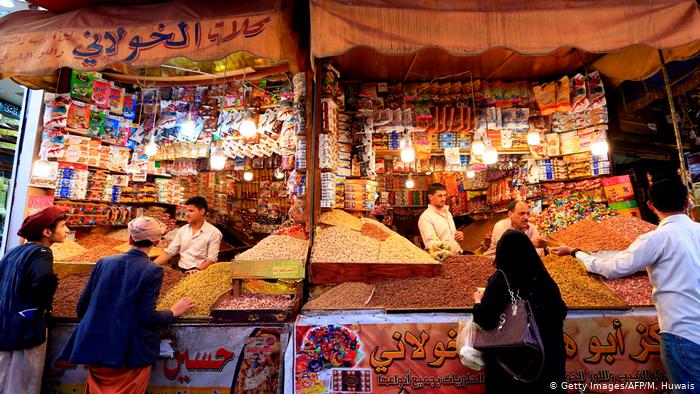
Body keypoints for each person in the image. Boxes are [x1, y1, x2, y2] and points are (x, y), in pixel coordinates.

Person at [551, 178, 700, 391]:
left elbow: (612, 268)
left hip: (683, 333)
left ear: (650, 206)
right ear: (687, 202)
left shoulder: (655, 240)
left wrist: (576, 252)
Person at [59, 216, 195, 394]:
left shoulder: (104, 262)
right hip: (126, 353)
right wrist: (172, 312)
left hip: (95, 348)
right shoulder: (152, 270)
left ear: (130, 239)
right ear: (156, 241)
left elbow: (82, 308)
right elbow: (147, 316)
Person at [473, 230, 567, 393]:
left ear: (501, 252)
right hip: (547, 361)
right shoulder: (543, 277)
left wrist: (477, 301)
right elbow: (561, 311)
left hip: (514, 364)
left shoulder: (500, 279)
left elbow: (486, 319)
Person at [0, 206, 69, 394]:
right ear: (47, 232)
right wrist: (43, 309)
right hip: (26, 331)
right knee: (23, 385)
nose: (67, 230)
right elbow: (45, 279)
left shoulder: (13, 252)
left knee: (4, 380)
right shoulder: (42, 253)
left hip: (6, 326)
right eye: (63, 226)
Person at [155, 196, 223, 273]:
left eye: (191, 211)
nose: (186, 214)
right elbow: (169, 252)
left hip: (200, 273)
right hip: (182, 272)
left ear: (202, 211)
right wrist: (152, 266)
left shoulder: (214, 233)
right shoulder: (182, 230)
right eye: (186, 211)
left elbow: (212, 259)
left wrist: (198, 270)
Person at [418, 183, 464, 254]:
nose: (443, 199)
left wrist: (459, 235)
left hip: (457, 254)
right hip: (443, 259)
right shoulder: (426, 218)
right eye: (440, 196)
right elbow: (431, 244)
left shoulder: (448, 213)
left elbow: (449, 236)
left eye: (445, 195)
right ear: (430, 197)